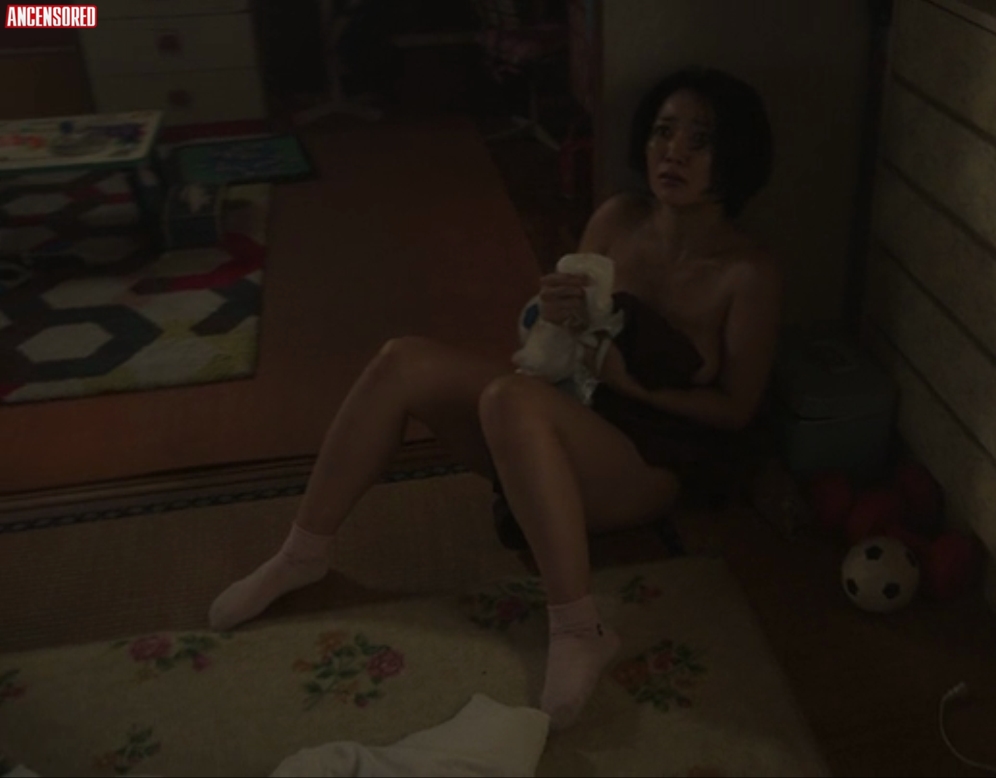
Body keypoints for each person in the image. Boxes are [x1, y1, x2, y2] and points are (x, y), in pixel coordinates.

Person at [207, 67, 781, 730]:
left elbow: (736, 410)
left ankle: (579, 628)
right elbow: (554, 342)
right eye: (662, 132)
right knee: (402, 361)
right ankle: (301, 553)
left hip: (646, 459)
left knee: (512, 398)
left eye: (699, 140)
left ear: (735, 156)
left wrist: (630, 381)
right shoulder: (617, 218)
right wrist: (551, 313)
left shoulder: (748, 273)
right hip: (567, 409)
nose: (672, 151)